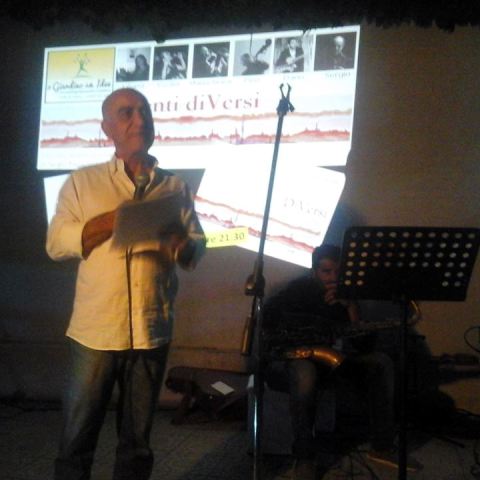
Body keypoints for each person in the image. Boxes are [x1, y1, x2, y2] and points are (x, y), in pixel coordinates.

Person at [47, 87, 206, 480]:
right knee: (76, 442)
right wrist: (112, 220)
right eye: (126, 112)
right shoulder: (82, 183)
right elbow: (56, 244)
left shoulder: (175, 187)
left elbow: (195, 250)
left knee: (137, 446)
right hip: (95, 332)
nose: (139, 119)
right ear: (107, 129)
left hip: (151, 331)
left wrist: (183, 245)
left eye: (144, 111)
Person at [262, 244, 421, 479]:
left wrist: (351, 307)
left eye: (338, 272)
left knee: (381, 362)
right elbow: (269, 318)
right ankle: (304, 456)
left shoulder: (347, 294)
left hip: (333, 360)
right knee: (305, 374)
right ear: (314, 272)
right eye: (326, 271)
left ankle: (382, 446)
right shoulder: (298, 290)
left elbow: (362, 345)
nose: (333, 278)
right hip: (299, 359)